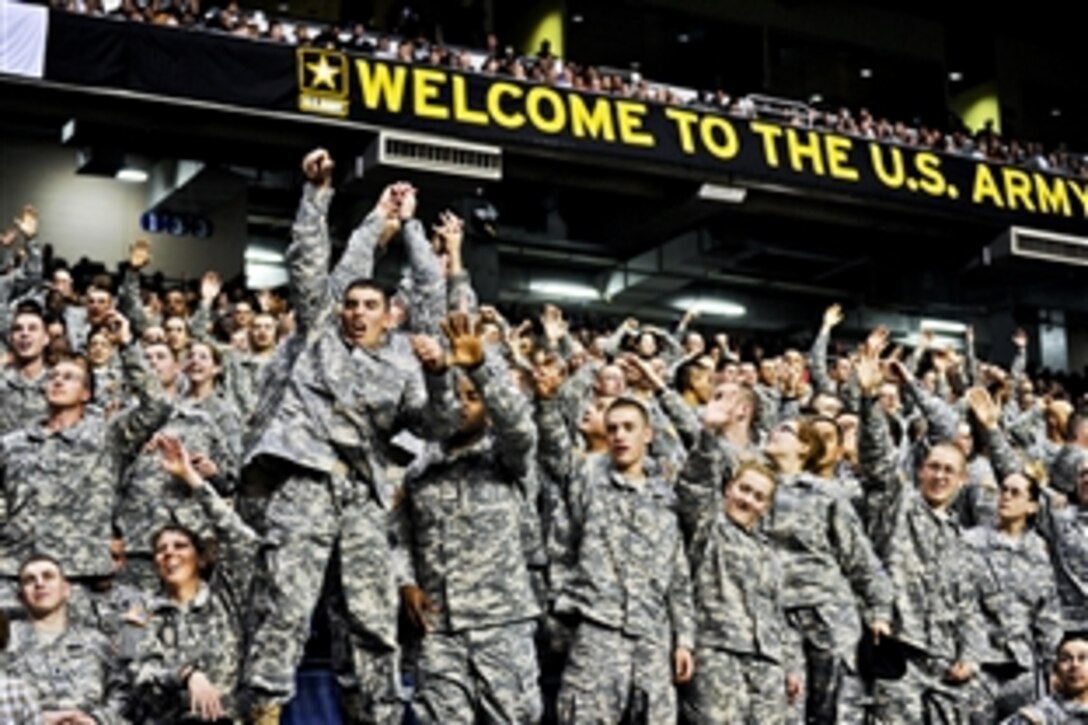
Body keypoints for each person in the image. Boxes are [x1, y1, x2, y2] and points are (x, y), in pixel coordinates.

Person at [243, 150, 452, 724]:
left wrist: (409, 225)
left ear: (391, 316)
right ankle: (261, 711)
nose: (358, 313)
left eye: (370, 306)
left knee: (370, 619)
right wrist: (322, 196)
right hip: (306, 486)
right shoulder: (320, 337)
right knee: (284, 608)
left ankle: (375, 716)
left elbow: (432, 423)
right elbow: (313, 264)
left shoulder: (406, 364)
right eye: (352, 305)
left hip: (364, 501)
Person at [394, 312, 542, 723]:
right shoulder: (420, 470)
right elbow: (400, 534)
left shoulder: (506, 460)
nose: (461, 404)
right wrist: (405, 580)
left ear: (488, 410)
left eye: (472, 398)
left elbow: (522, 430)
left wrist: (480, 369)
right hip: (438, 626)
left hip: (501, 622)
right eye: (455, 396)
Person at [0, 310, 171, 604]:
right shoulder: (13, 443)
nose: (57, 381)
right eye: (52, 377)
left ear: (86, 394)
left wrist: (128, 345)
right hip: (17, 573)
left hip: (80, 575)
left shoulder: (108, 437)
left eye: (69, 378)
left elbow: (156, 405)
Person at [856, 345, 986, 723]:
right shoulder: (897, 504)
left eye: (949, 471)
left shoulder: (960, 538)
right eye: (933, 467)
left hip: (944, 664)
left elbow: (967, 606)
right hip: (898, 652)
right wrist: (869, 401)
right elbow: (878, 460)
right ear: (919, 471)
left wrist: (971, 654)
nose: (940, 475)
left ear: (963, 481)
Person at [553, 397, 695, 724]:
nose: (619, 435)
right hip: (596, 633)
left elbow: (677, 575)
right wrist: (560, 619)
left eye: (629, 428)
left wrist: (684, 640)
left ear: (648, 434)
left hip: (653, 641)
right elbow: (561, 549)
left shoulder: (665, 496)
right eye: (613, 428)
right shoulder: (586, 480)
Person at [675, 395, 802, 724]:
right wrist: (708, 434)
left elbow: (780, 614)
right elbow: (693, 489)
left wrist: (791, 665)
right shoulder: (709, 526)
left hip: (767, 662)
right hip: (718, 654)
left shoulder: (769, 552)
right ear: (729, 488)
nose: (749, 499)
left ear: (766, 508)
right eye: (744, 489)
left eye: (759, 497)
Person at [761, 416, 894, 723]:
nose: (774, 434)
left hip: (828, 615)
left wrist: (879, 611)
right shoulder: (753, 488)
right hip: (777, 619)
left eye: (785, 431)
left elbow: (858, 555)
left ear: (805, 447)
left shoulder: (825, 493)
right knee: (786, 709)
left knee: (836, 711)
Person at [126, 434, 258, 723]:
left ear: (200, 558)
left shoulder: (225, 598)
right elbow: (137, 670)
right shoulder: (141, 610)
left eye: (180, 546)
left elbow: (243, 541)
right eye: (160, 550)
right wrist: (186, 675)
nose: (169, 554)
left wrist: (192, 478)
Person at [4, 555, 127, 724]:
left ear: (66, 589)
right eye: (29, 580)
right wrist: (34, 719)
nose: (39, 584)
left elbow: (122, 692)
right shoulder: (5, 640)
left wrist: (97, 720)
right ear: (21, 597)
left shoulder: (95, 641)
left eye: (48, 576)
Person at [1003, 631, 1088, 723]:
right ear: (1056, 670)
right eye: (1065, 659)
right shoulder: (1037, 716)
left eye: (1083, 658)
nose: (1075, 665)